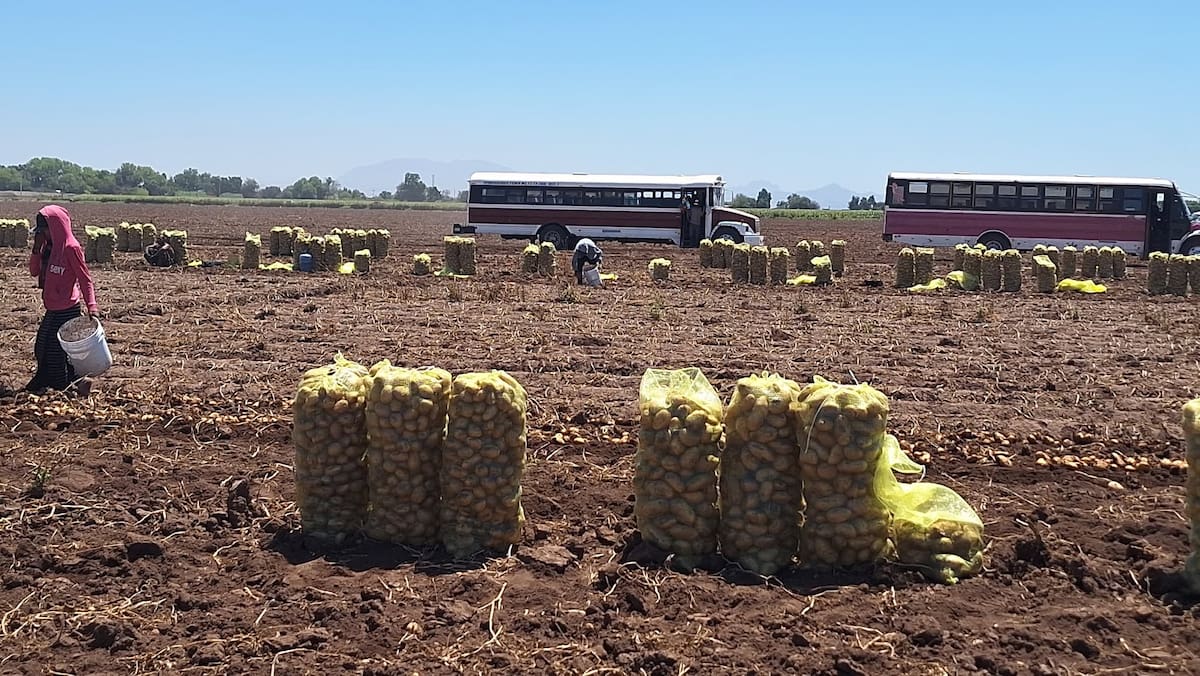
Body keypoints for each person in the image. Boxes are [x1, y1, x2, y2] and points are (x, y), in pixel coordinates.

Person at [26, 205, 100, 394]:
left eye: (44, 230)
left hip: (67, 307)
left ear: (55, 227)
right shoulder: (47, 248)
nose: (43, 234)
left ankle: (64, 388)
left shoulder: (71, 248)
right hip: (52, 306)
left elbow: (85, 278)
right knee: (41, 346)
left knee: (54, 352)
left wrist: (92, 306)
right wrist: (36, 248)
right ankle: (53, 381)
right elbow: (34, 271)